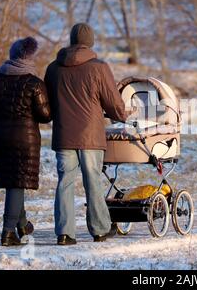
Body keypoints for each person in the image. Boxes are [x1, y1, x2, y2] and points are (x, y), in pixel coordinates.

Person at [44, 23, 128, 246]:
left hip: (63, 135)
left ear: (72, 40)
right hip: (90, 135)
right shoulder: (99, 67)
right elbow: (112, 102)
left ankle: (64, 233)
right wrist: (123, 115)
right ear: (90, 41)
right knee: (93, 181)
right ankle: (99, 230)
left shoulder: (53, 68)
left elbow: (48, 103)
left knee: (65, 182)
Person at [0, 37, 51, 246]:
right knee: (17, 183)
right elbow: (46, 115)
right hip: (24, 140)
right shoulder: (34, 83)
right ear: (30, 57)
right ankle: (8, 232)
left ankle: (22, 225)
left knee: (14, 182)